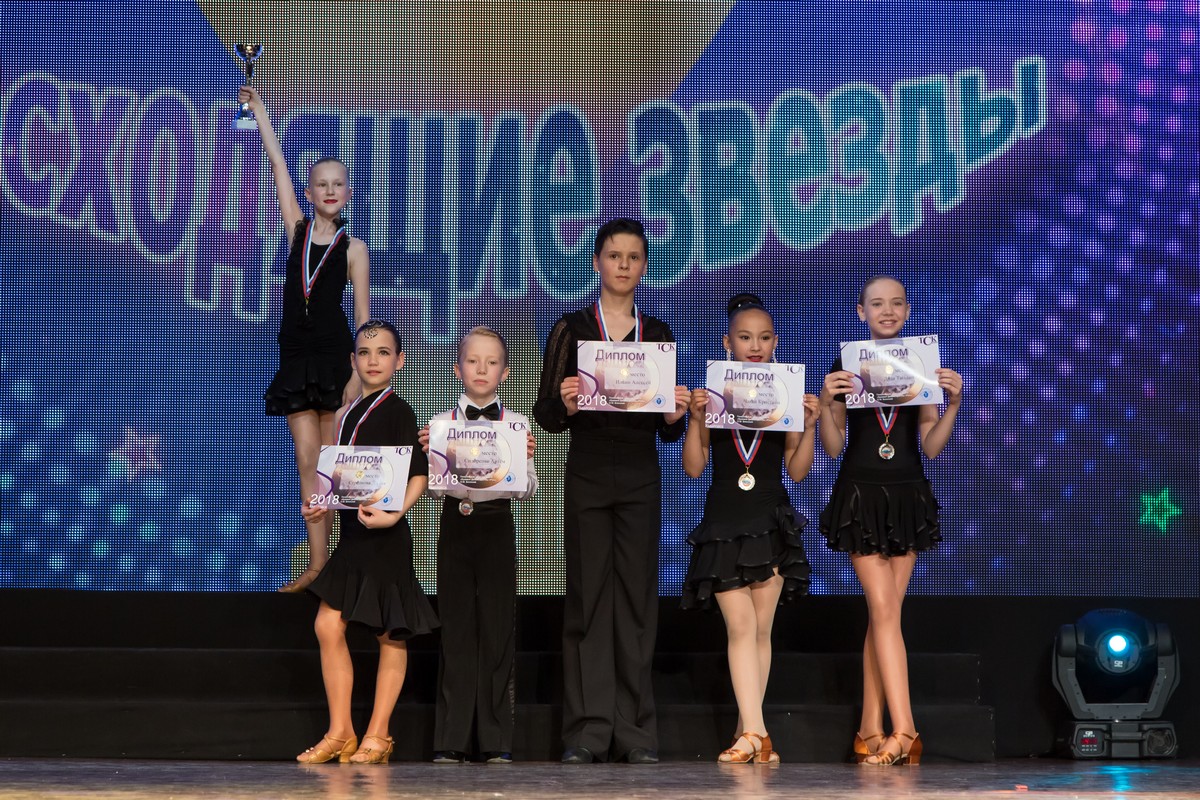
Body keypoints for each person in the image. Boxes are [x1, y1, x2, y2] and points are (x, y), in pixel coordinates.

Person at [534, 218, 690, 764]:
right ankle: (586, 732)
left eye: (633, 257)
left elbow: (668, 430)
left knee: (637, 601)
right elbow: (546, 413)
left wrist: (675, 413)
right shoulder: (572, 328)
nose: (623, 265)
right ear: (597, 261)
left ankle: (635, 733)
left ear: (644, 267)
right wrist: (566, 403)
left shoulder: (658, 333)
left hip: (641, 472)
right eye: (614, 255)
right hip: (589, 469)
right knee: (588, 600)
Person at [818, 276, 963, 767]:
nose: (887, 310)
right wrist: (827, 405)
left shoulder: (920, 362)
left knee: (886, 617)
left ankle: (868, 730)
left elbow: (931, 445)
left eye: (896, 303)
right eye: (877, 304)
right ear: (861, 312)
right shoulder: (846, 364)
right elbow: (833, 447)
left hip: (907, 496)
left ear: (907, 311)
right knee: (883, 610)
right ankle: (906, 729)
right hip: (860, 495)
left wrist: (953, 404)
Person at [239, 85, 371, 593]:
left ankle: (337, 564)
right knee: (307, 461)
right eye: (321, 184)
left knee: (334, 465)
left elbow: (363, 319)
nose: (330, 191)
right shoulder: (296, 230)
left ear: (348, 193)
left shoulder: (354, 248)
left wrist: (359, 376)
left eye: (338, 184)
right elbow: (277, 166)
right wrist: (261, 114)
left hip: (336, 360)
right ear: (310, 193)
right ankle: (316, 566)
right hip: (296, 357)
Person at [681, 293, 819, 764]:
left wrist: (810, 425)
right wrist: (695, 420)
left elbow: (797, 471)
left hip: (770, 520)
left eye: (763, 338)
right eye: (745, 337)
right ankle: (758, 733)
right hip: (723, 522)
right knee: (740, 627)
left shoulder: (785, 394)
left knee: (761, 631)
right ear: (728, 343)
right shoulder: (713, 395)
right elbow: (694, 468)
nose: (755, 346)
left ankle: (748, 732)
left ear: (775, 343)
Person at [296, 319, 437, 764]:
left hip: (386, 538)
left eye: (383, 353)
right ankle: (341, 731)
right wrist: (321, 505)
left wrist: (396, 513)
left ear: (399, 361)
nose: (373, 361)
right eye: (364, 352)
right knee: (327, 625)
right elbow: (340, 478)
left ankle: (380, 733)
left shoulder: (400, 411)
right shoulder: (344, 415)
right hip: (354, 537)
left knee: (389, 632)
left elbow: (418, 474)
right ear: (353, 360)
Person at [419, 326, 538, 765]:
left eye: (491, 362)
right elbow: (436, 491)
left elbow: (527, 490)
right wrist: (430, 456)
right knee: (455, 628)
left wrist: (521, 459)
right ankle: (450, 738)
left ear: (505, 373)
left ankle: (495, 739)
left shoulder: (516, 425)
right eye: (472, 361)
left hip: (496, 524)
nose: (481, 369)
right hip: (456, 522)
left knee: (496, 628)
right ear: (457, 369)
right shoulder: (440, 424)